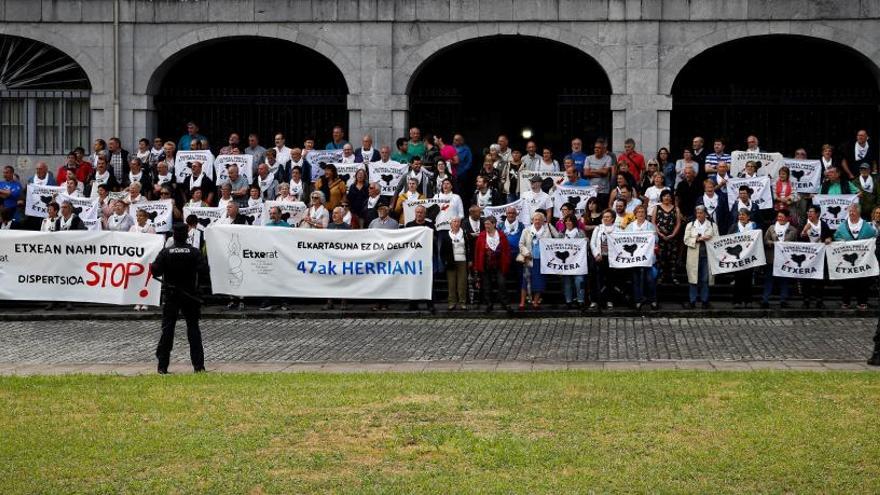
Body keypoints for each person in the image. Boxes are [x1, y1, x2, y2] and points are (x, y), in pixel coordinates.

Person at [151, 222, 209, 374]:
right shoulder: (194, 252)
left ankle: (162, 366)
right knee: (193, 330)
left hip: (171, 296)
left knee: (168, 330)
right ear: (187, 236)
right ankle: (199, 366)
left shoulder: (166, 252)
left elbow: (155, 271)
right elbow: (204, 270)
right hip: (190, 295)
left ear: (173, 236)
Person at [833, 204, 878, 310]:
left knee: (862, 281)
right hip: (847, 261)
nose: (851, 213)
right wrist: (841, 241)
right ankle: (846, 302)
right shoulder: (843, 226)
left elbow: (873, 238)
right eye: (850, 211)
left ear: (858, 212)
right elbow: (836, 236)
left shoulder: (867, 226)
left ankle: (862, 302)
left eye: (853, 211)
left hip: (862, 260)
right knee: (847, 280)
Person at [518, 211, 557, 310]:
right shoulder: (526, 230)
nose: (537, 221)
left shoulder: (547, 230)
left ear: (543, 221)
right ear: (532, 220)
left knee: (539, 281)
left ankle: (535, 301)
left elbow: (553, 242)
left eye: (539, 219)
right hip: (529, 259)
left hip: (542, 260)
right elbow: (521, 244)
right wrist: (526, 253)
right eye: (535, 219)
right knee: (525, 280)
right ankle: (522, 302)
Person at [473, 216, 512, 313]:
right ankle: (489, 304)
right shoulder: (482, 236)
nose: (486, 226)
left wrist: (506, 262)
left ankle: (505, 303)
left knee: (501, 283)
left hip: (499, 264)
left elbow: (507, 251)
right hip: (486, 264)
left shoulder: (501, 235)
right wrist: (477, 266)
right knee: (486, 286)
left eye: (488, 224)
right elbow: (477, 252)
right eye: (485, 224)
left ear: (494, 224)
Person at [761, 209, 798, 308]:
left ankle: (783, 299)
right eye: (778, 217)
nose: (780, 218)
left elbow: (795, 244)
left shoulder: (793, 230)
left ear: (787, 217)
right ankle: (765, 299)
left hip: (785, 259)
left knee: (784, 279)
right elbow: (765, 240)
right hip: (772, 257)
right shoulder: (771, 228)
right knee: (769, 279)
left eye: (781, 216)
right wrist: (773, 243)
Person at [683, 205, 718, 309]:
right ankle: (692, 301)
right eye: (697, 213)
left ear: (705, 214)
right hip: (694, 255)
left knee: (705, 279)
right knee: (693, 279)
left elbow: (718, 240)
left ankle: (705, 301)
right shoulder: (690, 225)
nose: (699, 215)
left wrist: (709, 238)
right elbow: (686, 240)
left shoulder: (712, 225)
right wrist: (696, 239)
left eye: (701, 213)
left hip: (707, 255)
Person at [405, 205, 436, 313]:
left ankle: (429, 304)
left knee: (428, 281)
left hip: (426, 258)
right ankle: (413, 303)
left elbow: (435, 240)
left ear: (425, 214)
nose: (419, 214)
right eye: (417, 212)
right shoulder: (409, 225)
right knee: (413, 281)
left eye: (421, 212)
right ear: (415, 213)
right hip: (413, 259)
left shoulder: (430, 226)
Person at [800, 205, 833, 309]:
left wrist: (828, 239)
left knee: (819, 279)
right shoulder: (803, 223)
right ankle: (806, 300)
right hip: (806, 256)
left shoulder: (823, 224)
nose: (809, 213)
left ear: (817, 214)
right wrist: (804, 230)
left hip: (820, 256)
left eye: (811, 211)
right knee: (806, 279)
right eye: (808, 211)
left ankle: (819, 300)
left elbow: (829, 236)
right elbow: (798, 238)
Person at [626, 205, 658, 309]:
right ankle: (638, 301)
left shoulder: (650, 226)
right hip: (635, 258)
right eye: (638, 212)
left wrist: (654, 236)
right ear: (635, 214)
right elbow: (624, 239)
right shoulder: (630, 226)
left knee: (650, 279)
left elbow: (656, 240)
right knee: (636, 280)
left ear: (645, 214)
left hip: (648, 258)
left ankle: (652, 300)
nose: (640, 214)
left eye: (642, 212)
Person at [729, 208, 760, 308]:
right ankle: (737, 301)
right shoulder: (734, 226)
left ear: (748, 217)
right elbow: (728, 239)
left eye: (743, 215)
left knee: (748, 279)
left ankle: (748, 301)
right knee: (738, 280)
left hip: (750, 257)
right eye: (740, 215)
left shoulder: (754, 226)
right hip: (737, 257)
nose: (741, 216)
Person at [589, 209, 617, 309]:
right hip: (599, 258)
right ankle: (594, 300)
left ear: (613, 218)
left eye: (608, 217)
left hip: (611, 259)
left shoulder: (618, 229)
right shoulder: (598, 228)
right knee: (595, 280)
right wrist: (597, 254)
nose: (605, 218)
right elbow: (592, 243)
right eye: (604, 217)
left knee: (610, 280)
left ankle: (609, 300)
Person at [440, 217, 471, 310]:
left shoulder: (465, 234)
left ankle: (462, 302)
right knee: (451, 283)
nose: (456, 223)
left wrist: (470, 260)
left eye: (458, 222)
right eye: (454, 221)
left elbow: (469, 247)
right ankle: (452, 302)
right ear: (450, 224)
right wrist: (445, 261)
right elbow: (442, 251)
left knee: (462, 283)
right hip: (450, 261)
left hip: (462, 260)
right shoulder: (446, 235)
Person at [654, 190, 682, 284]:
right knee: (660, 258)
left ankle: (673, 277)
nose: (667, 198)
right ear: (661, 197)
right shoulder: (657, 208)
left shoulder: (676, 209)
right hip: (659, 237)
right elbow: (653, 222)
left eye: (669, 196)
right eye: (665, 196)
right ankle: (660, 276)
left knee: (672, 258)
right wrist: (659, 233)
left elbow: (678, 223)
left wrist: (673, 234)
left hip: (672, 237)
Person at [559, 214, 587, 308]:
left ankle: (580, 300)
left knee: (579, 281)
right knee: (567, 282)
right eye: (566, 221)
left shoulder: (580, 233)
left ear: (574, 222)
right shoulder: (561, 234)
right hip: (566, 262)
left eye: (570, 221)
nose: (568, 222)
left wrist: (585, 241)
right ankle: (568, 301)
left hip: (578, 262)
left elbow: (585, 247)